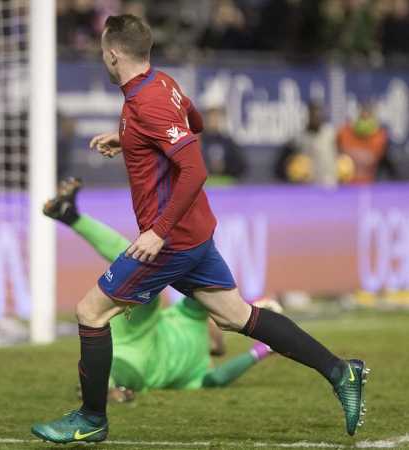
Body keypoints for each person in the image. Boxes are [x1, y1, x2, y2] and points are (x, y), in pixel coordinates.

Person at [31, 14, 368, 444]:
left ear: (113, 54)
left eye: (102, 51)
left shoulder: (145, 102)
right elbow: (195, 123)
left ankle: (91, 417)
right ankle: (342, 371)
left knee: (91, 312)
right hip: (195, 234)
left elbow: (194, 168)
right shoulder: (161, 84)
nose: (103, 56)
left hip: (171, 240)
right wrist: (132, 140)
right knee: (235, 316)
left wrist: (158, 230)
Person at [44, 178, 273, 400]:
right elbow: (215, 295)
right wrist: (254, 312)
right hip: (140, 331)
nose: (217, 323)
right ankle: (69, 215)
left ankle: (102, 386)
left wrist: (260, 350)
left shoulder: (199, 362)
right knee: (142, 273)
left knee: (125, 368)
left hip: (135, 359)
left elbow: (217, 378)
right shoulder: (192, 326)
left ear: (215, 346)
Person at [275, 101, 338, 187]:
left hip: (329, 183)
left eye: (318, 114)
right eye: (312, 114)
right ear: (307, 116)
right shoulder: (299, 138)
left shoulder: (331, 134)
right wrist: (293, 172)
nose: (315, 117)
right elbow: (283, 165)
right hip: (306, 186)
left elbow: (342, 159)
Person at [336, 102, 390, 184]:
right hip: (346, 187)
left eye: (367, 117)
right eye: (361, 117)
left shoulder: (380, 137)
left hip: (371, 186)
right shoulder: (344, 133)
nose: (364, 122)